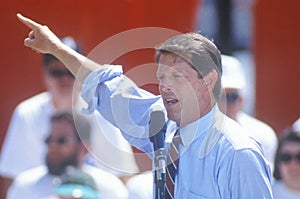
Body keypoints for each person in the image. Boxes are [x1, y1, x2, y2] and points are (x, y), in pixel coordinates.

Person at [17, 13, 273, 198]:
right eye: (161, 77)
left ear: (208, 80)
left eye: (177, 77)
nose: (165, 86)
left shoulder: (238, 153)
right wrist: (56, 48)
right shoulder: (161, 124)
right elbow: (107, 85)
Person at [0, 35, 139, 194]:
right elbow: (12, 179)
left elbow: (123, 176)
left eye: (71, 72)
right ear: (45, 74)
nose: (65, 79)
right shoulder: (26, 113)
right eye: (57, 72)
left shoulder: (103, 112)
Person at [7, 110, 129, 199]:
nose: (53, 146)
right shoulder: (24, 185)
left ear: (84, 148)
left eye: (62, 141)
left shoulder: (111, 187)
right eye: (49, 139)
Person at [218, 54, 278, 171]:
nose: (224, 104)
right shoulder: (190, 134)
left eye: (231, 97)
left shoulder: (263, 135)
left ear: (243, 99)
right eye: (218, 96)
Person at [272, 129, 300, 199]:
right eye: (286, 157)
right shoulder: (265, 193)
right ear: (277, 162)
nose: (293, 164)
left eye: (299, 157)